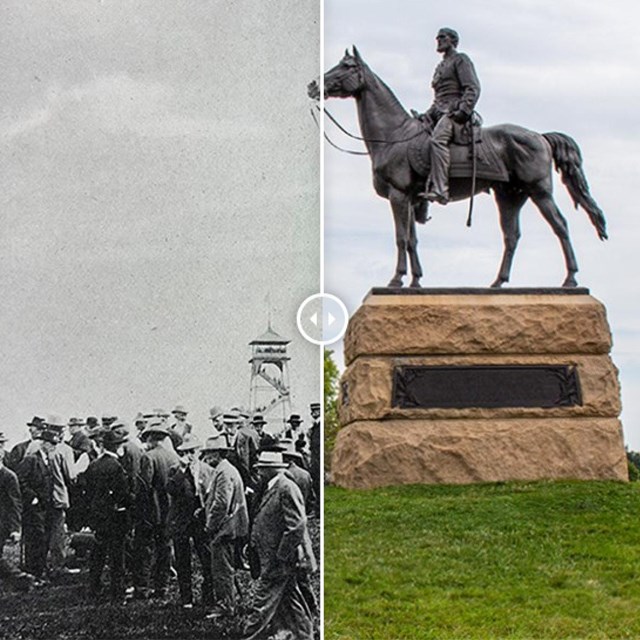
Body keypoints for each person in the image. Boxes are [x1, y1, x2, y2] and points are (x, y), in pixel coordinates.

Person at [242, 450, 316, 640]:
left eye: (262, 469)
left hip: (278, 561)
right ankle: (304, 634)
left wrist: (282, 554)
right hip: (274, 557)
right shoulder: (273, 486)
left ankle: (250, 635)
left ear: (272, 469)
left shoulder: (285, 488)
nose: (258, 472)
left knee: (262, 602)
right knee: (291, 601)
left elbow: (297, 525)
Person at [419, 27, 481, 205]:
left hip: (454, 114)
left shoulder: (460, 60)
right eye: (437, 37)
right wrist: (426, 114)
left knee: (437, 140)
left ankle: (440, 189)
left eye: (442, 37)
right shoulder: (440, 66)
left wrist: (463, 110)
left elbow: (472, 87)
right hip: (438, 111)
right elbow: (439, 97)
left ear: (453, 40)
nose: (438, 40)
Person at [200, 433, 249, 618]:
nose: (206, 458)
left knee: (222, 568)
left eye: (209, 454)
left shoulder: (223, 472)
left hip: (226, 528)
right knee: (224, 566)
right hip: (229, 525)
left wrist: (210, 525)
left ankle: (226, 606)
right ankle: (229, 602)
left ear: (218, 454)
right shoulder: (223, 469)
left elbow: (221, 503)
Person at [83, 426, 132, 602]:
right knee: (117, 556)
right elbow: (122, 495)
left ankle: (93, 589)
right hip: (115, 517)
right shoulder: (117, 466)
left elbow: (86, 492)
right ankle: (117, 592)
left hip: (98, 516)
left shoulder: (94, 465)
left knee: (98, 554)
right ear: (117, 447)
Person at [167, 434, 214, 609]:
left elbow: (210, 496)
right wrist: (181, 471)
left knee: (206, 557)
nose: (189, 455)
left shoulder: (207, 470)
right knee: (182, 560)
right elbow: (170, 489)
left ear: (199, 451)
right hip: (181, 520)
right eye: (186, 452)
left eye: (192, 451)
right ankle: (186, 598)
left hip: (199, 520)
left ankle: (208, 595)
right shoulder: (175, 471)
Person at [139, 420, 180, 600]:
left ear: (150, 439)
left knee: (146, 548)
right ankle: (161, 586)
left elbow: (144, 487)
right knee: (165, 547)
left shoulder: (148, 457)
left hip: (153, 511)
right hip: (171, 510)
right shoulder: (174, 457)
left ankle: (144, 586)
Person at [0, 431, 34, 591]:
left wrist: (15, 529)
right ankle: (19, 579)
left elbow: (15, 504)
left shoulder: (9, 476)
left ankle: (21, 579)